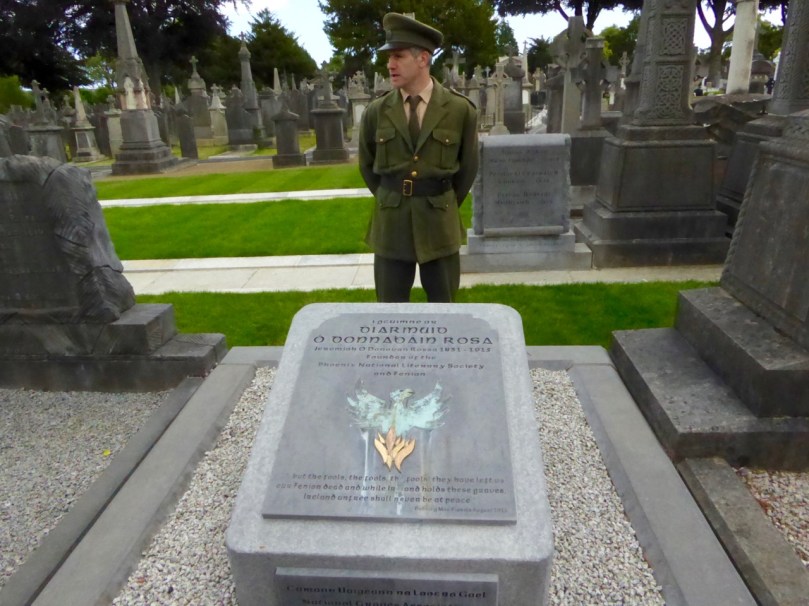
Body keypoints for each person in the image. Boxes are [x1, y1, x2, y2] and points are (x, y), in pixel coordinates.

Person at [358, 13, 479, 303]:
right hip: (391, 226)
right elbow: (367, 166)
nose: (390, 64)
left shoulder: (460, 110)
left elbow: (467, 170)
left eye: (398, 56)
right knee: (389, 312)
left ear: (423, 59)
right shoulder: (376, 112)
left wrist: (438, 199)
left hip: (439, 226)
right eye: (389, 57)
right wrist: (395, 195)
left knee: (444, 311)